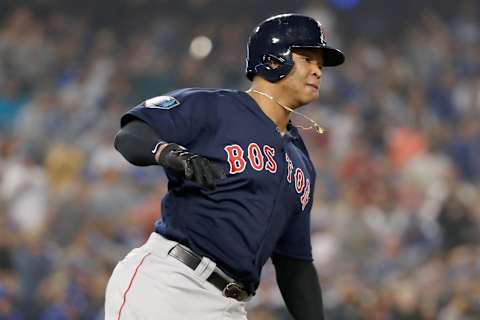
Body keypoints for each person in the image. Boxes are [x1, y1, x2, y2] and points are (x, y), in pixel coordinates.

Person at [104, 13, 345, 320]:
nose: (318, 71)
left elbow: (294, 264)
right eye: (308, 58)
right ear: (273, 60)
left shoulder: (302, 164)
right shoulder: (215, 107)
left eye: (320, 64)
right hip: (169, 284)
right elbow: (131, 135)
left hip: (230, 307)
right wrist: (167, 152)